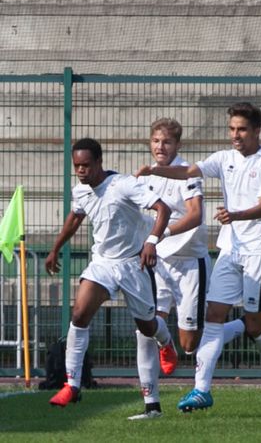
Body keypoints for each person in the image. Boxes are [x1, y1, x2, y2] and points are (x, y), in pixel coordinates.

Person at [137, 102, 261, 416]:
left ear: (256, 131)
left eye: (242, 130)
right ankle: (201, 390)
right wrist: (155, 169)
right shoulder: (224, 158)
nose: (235, 135)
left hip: (260, 251)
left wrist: (234, 214)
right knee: (213, 315)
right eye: (232, 129)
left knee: (255, 326)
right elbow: (187, 171)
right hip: (230, 249)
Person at [45, 138, 175, 420]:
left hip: (133, 264)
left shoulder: (124, 185)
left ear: (99, 163)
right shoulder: (80, 190)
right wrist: (56, 248)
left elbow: (163, 209)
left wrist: (151, 241)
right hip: (102, 263)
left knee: (147, 326)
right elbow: (75, 217)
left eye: (86, 165)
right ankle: (73, 385)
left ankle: (166, 341)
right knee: (79, 314)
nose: (81, 171)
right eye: (77, 166)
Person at [137, 118, 214, 376]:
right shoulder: (146, 176)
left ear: (177, 144)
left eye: (167, 142)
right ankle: (163, 345)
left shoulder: (186, 172)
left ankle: (243, 326)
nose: (161, 147)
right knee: (149, 323)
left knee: (189, 343)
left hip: (189, 262)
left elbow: (195, 215)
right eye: (156, 141)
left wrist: (163, 233)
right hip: (159, 262)